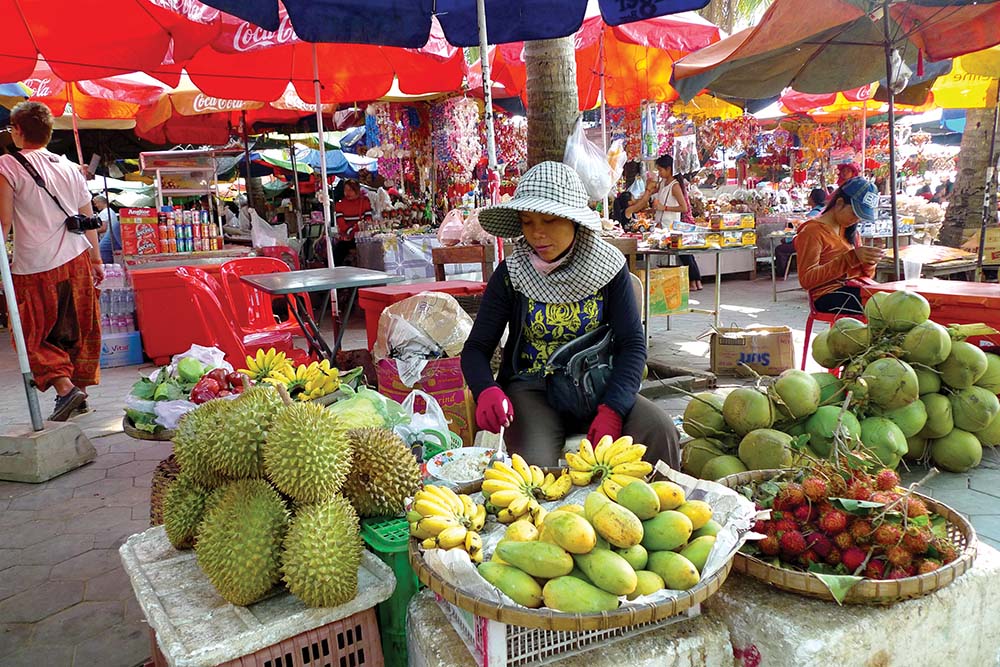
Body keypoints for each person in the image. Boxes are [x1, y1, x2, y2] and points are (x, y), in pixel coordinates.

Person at [461, 161, 680, 468]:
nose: (537, 233)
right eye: (527, 222)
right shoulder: (512, 273)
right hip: (532, 389)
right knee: (536, 470)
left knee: (660, 430)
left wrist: (613, 409)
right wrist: (486, 389)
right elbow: (476, 349)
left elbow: (632, 345)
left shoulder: (608, 267)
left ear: (574, 221)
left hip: (598, 381)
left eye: (550, 220)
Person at [0, 101, 103, 420]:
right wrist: (97, 260)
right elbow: (88, 219)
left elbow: (3, 223)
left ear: (18, 131)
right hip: (78, 259)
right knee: (76, 329)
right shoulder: (70, 167)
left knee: (30, 333)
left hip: (36, 266)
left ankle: (65, 389)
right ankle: (79, 395)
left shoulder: (7, 165)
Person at [794, 177, 883, 315]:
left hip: (855, 288)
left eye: (860, 217)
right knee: (885, 309)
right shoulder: (812, 231)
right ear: (840, 203)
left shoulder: (851, 232)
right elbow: (806, 280)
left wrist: (869, 263)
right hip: (827, 295)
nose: (856, 220)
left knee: (895, 301)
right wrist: (851, 258)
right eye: (854, 213)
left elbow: (867, 276)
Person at [651, 154, 702, 291]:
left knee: (684, 255)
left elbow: (684, 208)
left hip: (672, 226)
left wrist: (664, 208)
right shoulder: (663, 184)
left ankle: (694, 281)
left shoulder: (675, 186)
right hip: (662, 225)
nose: (659, 173)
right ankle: (695, 281)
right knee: (683, 255)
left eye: (660, 170)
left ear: (669, 169)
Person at [775, 189, 828, 278]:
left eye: (809, 196)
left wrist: (788, 239)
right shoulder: (824, 211)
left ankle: (781, 274)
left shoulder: (813, 215)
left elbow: (804, 232)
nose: (808, 198)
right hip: (820, 242)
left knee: (780, 249)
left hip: (809, 243)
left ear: (812, 199)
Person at [333, 179, 372, 266]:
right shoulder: (340, 205)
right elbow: (341, 224)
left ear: (357, 190)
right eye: (345, 190)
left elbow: (368, 220)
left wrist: (357, 231)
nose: (347, 193)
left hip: (362, 235)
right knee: (338, 250)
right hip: (348, 237)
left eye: (350, 190)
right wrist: (351, 232)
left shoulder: (365, 202)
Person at [93, 195, 121, 264]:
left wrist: (91, 232)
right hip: (112, 243)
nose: (95, 206)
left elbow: (103, 228)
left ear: (101, 202)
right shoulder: (111, 211)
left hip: (107, 243)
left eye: (96, 203)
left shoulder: (103, 213)